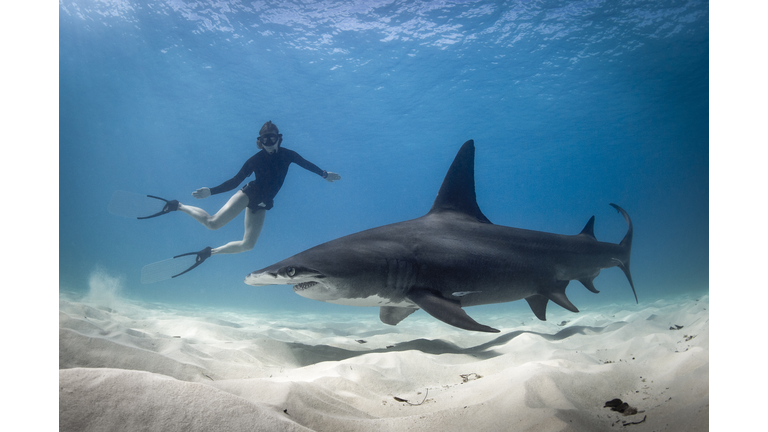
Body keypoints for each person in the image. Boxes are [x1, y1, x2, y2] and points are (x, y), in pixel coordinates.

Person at [154, 120, 340, 277]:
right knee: (213, 223)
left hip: (263, 203)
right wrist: (211, 191)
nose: (269, 143)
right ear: (260, 142)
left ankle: (209, 252)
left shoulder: (288, 155)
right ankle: (178, 206)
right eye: (265, 140)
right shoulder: (255, 160)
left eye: (272, 138)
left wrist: (324, 174)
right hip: (249, 193)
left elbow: (306, 164)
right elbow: (235, 181)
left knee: (248, 245)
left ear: (279, 139)